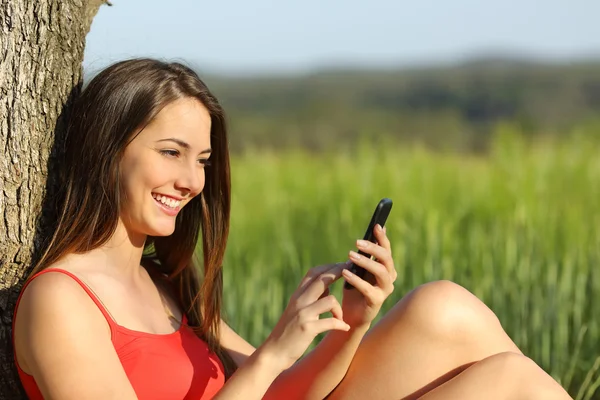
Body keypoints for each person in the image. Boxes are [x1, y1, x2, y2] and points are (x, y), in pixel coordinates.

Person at [12, 58, 572, 400]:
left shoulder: (165, 284)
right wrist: (274, 353)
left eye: (203, 159)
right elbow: (267, 376)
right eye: (171, 152)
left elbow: (278, 395)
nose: (191, 180)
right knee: (511, 386)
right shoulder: (60, 300)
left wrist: (350, 324)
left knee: (445, 309)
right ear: (107, 151)